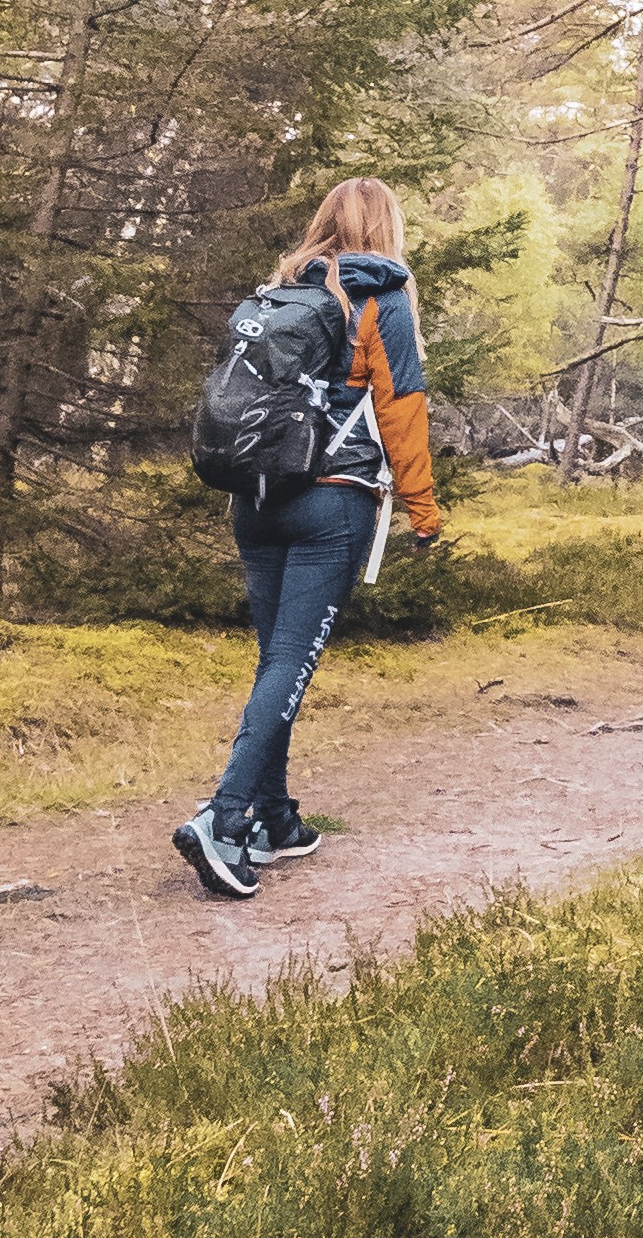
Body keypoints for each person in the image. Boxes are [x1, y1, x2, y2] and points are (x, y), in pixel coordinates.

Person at [172, 175, 443, 903]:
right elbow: (403, 410)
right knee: (288, 665)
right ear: (386, 227)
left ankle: (277, 819)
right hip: (334, 506)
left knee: (275, 664)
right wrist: (424, 511)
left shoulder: (276, 295)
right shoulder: (377, 299)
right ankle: (225, 820)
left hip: (257, 501)